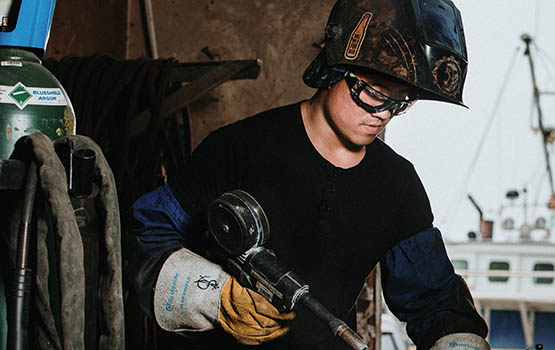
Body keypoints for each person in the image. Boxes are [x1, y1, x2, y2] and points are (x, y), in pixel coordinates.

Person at [124, 0, 490, 349]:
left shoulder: (398, 186)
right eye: (374, 93)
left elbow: (435, 300)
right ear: (333, 69)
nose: (383, 115)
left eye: (400, 102)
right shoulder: (240, 148)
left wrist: (458, 340)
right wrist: (213, 295)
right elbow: (146, 235)